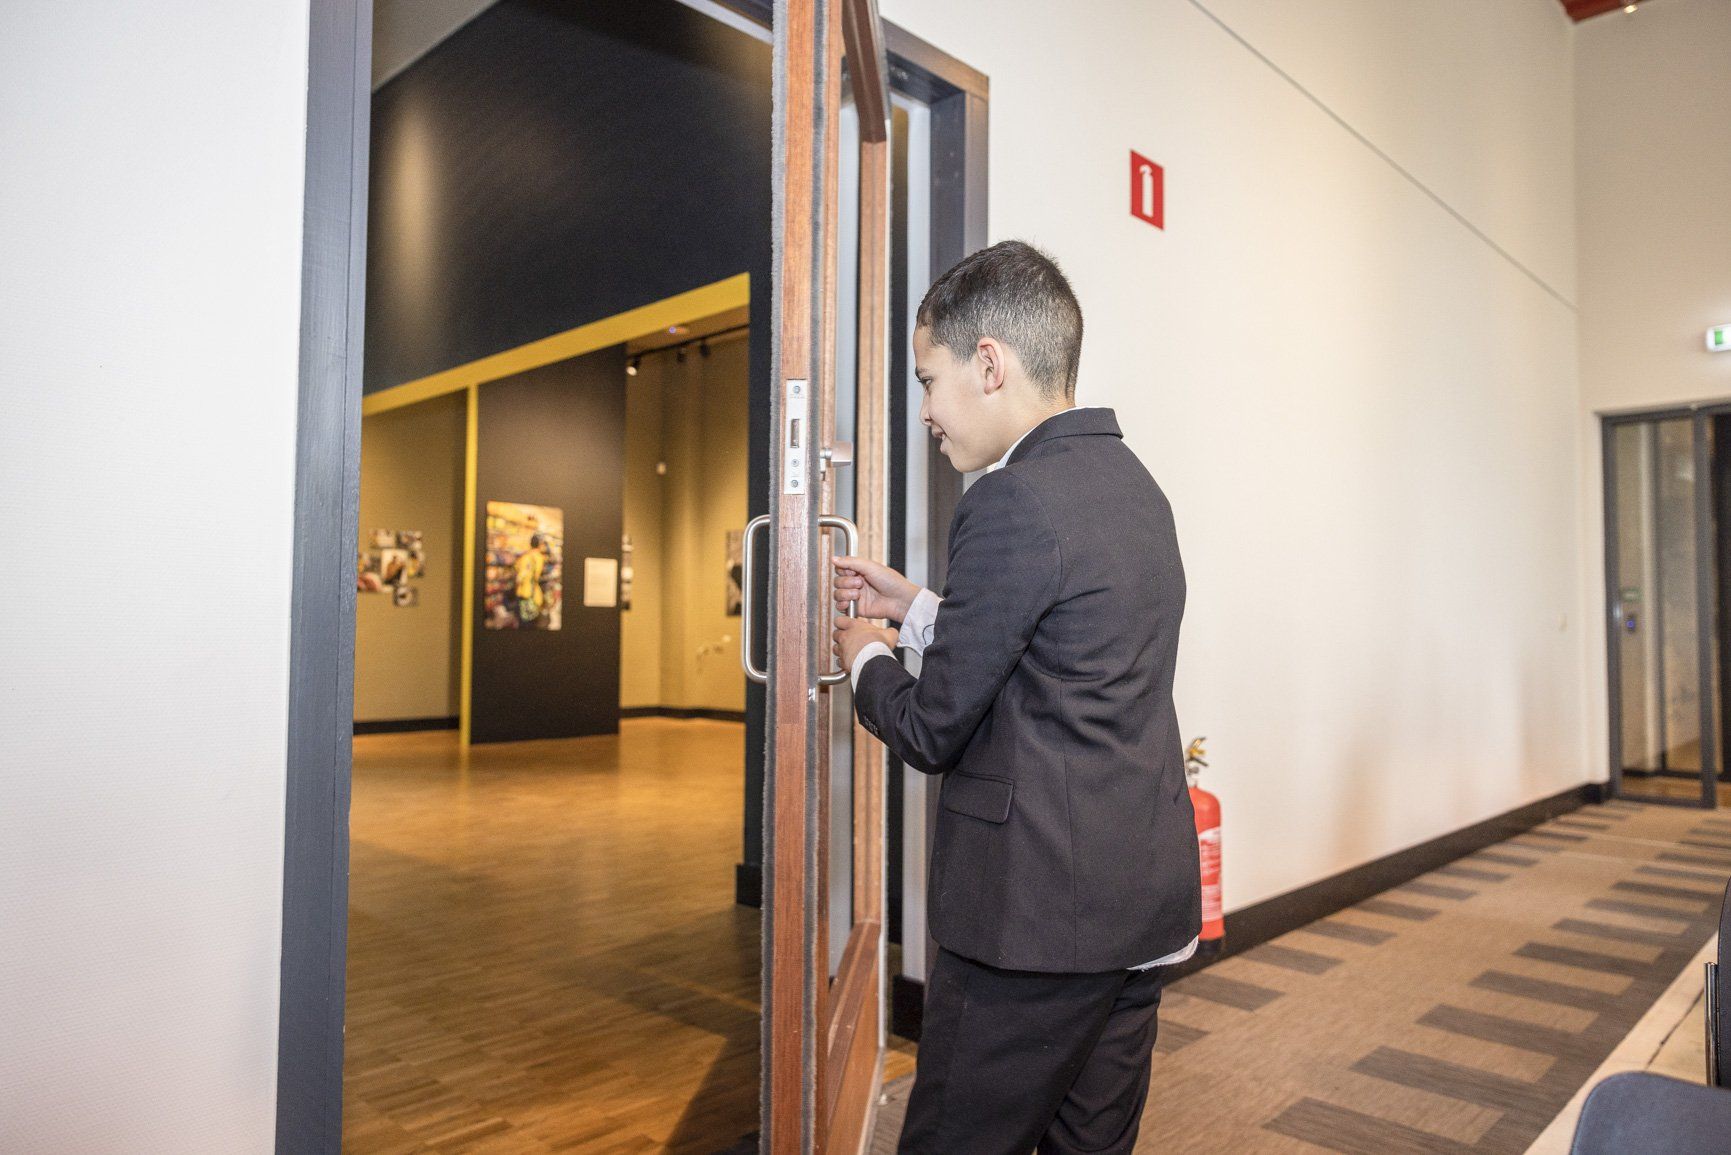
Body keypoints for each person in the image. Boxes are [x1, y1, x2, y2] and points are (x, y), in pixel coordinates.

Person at [832, 240, 1200, 1155]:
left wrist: (864, 657)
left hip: (1031, 925)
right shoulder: (1135, 488)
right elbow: (1059, 657)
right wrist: (915, 607)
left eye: (929, 380)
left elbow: (932, 727)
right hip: (1134, 905)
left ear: (988, 363)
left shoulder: (1010, 501)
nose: (925, 412)